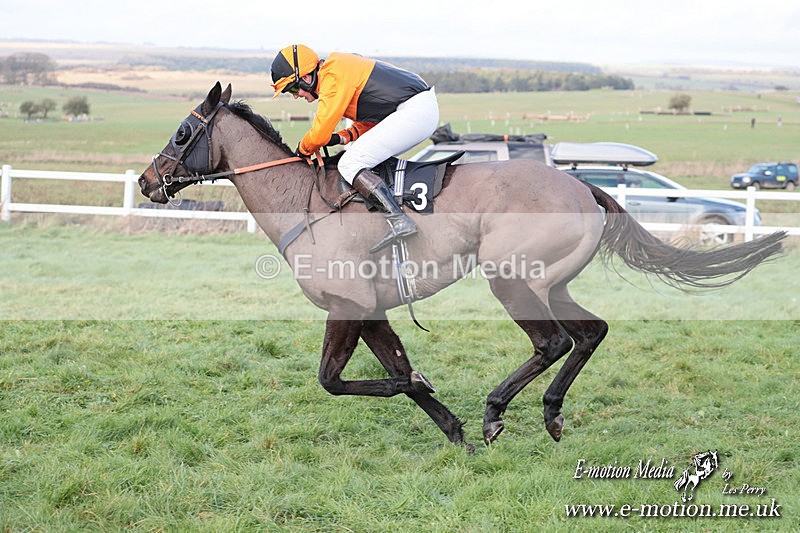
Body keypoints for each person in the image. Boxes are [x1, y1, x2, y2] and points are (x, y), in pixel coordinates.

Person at [270, 44, 439, 253]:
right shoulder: (337, 69)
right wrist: (342, 137)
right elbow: (371, 120)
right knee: (360, 157)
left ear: (306, 77)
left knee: (350, 163)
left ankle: (399, 220)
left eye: (293, 89)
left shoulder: (332, 74)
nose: (295, 95)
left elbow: (319, 132)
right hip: (412, 109)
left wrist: (302, 150)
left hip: (414, 111)